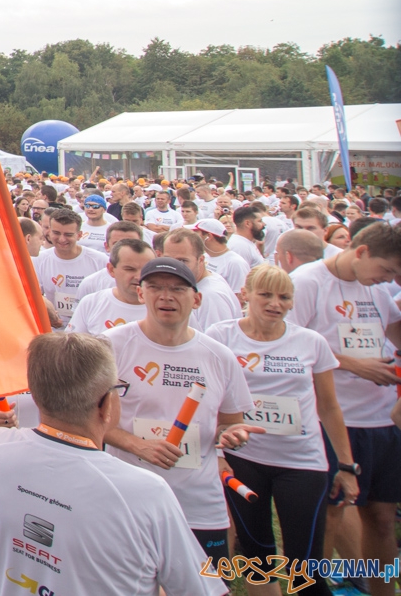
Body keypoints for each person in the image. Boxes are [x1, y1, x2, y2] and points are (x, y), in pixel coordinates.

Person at [0, 332, 224, 596]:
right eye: (118, 389)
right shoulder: (146, 492)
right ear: (105, 405)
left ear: (35, 396)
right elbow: (200, 587)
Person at [207, 262, 358, 596]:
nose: (275, 303)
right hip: (243, 458)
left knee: (304, 567)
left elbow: (330, 406)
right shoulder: (221, 335)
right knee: (257, 556)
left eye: (284, 297)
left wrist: (346, 466)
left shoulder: (311, 342)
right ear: (246, 294)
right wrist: (216, 452)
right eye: (266, 295)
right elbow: (208, 400)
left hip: (301, 462)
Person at [104, 256, 261, 564]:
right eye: (156, 287)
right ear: (141, 293)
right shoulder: (110, 346)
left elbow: (230, 423)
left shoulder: (219, 356)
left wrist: (233, 435)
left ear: (196, 298)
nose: (166, 296)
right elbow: (91, 423)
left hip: (199, 503)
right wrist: (140, 446)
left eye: (177, 288)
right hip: (129, 499)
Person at [286, 223, 401, 595]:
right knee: (330, 516)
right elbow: (286, 343)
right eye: (386, 269)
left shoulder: (379, 289)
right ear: (362, 251)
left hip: (383, 419)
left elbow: (394, 330)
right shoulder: (308, 281)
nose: (389, 279)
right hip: (334, 420)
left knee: (383, 518)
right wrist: (353, 364)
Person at [66, 235, 154, 337]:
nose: (139, 277)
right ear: (111, 269)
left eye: (145, 269)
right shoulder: (91, 303)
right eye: (130, 269)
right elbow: (72, 347)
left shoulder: (163, 307)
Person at [158, 229, 242, 330]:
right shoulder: (194, 284)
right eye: (169, 260)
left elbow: (215, 343)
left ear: (201, 260)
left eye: (183, 261)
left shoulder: (210, 296)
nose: (175, 267)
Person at [34, 209, 104, 330]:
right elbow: (34, 294)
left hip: (89, 332)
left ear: (79, 235)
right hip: (55, 331)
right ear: (49, 232)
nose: (62, 239)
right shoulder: (39, 260)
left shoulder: (99, 261)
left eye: (68, 235)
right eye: (56, 233)